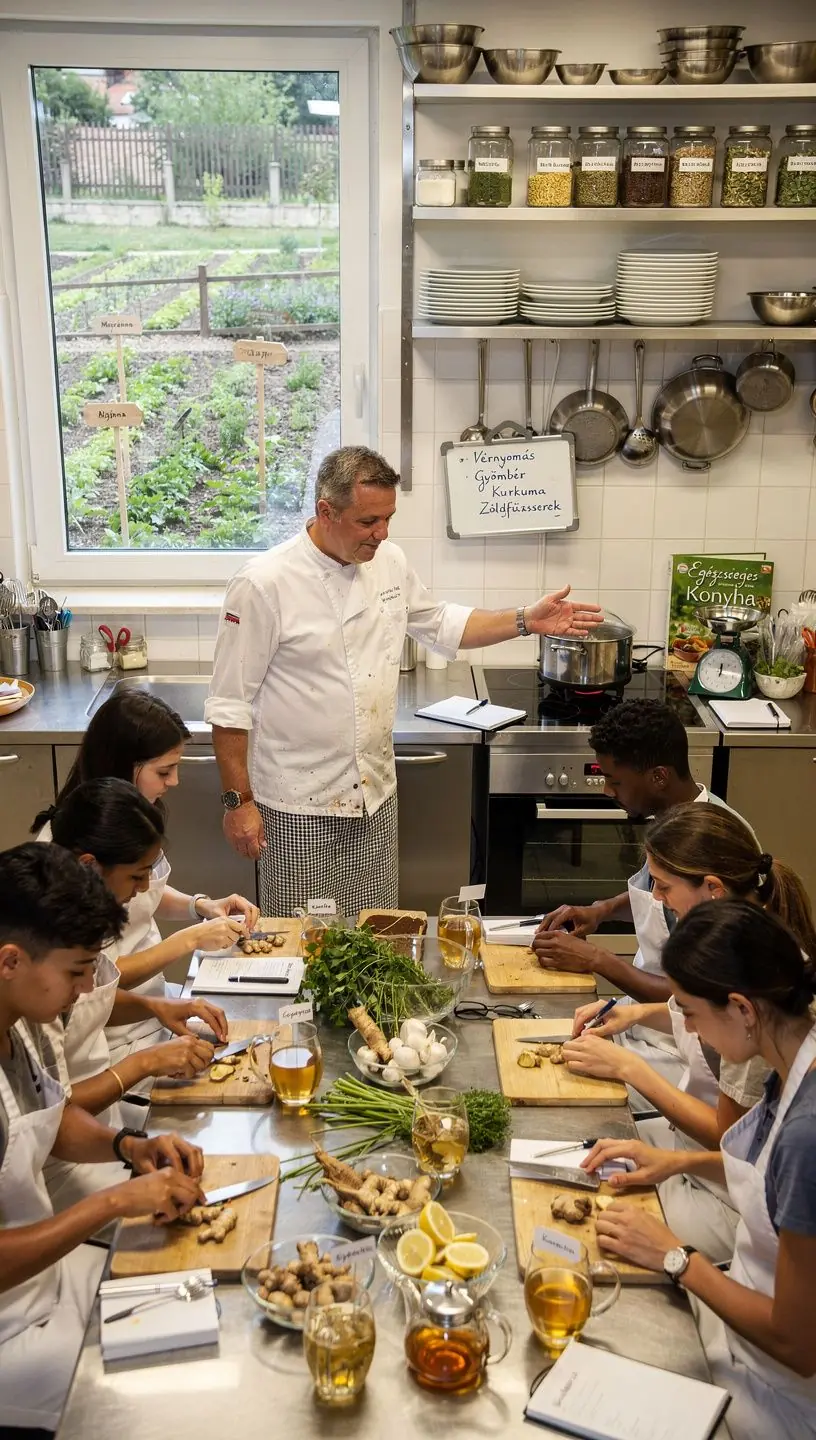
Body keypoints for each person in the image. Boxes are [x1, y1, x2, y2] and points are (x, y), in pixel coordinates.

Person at [204, 444, 602, 916]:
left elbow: (442, 623)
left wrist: (525, 620)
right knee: (304, 941)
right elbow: (230, 704)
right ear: (326, 512)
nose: (382, 533)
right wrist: (238, 802)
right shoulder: (263, 583)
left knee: (376, 933)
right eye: (368, 521)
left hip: (375, 795)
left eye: (388, 518)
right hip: (298, 806)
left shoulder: (388, 561)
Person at [586, 903, 816, 1440]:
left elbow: (797, 1344)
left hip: (777, 1397)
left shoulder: (807, 1134)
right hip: (740, 1328)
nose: (685, 1027)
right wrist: (679, 1162)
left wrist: (676, 1256)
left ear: (742, 1008)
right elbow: (771, 1183)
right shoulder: (791, 1056)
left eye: (689, 1012)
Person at [0, 843, 203, 1436]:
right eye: (76, 971)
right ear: (10, 960)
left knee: (192, 1297)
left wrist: (128, 1148)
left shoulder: (24, 1022)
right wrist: (113, 1201)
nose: (88, 987)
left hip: (48, 1282)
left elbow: (50, 1116)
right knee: (170, 1389)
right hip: (11, 1332)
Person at [563, 802, 816, 1262]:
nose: (656, 898)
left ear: (713, 888)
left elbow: (730, 1137)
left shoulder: (761, 998)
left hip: (728, 1204)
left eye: (663, 886)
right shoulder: (744, 967)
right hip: (711, 1167)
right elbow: (749, 1160)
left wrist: (630, 1068)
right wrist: (637, 1016)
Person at [32, 689, 258, 1066]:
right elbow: (98, 979)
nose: (175, 781)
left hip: (154, 1008)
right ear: (123, 764)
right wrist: (190, 939)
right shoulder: (64, 857)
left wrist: (200, 905)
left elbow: (143, 891)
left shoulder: (130, 818)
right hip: (109, 1038)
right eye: (164, 771)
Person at [532, 698, 747, 1084]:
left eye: (615, 780)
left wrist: (597, 960)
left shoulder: (712, 849)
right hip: (640, 1022)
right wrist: (601, 910)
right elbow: (656, 897)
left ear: (658, 777)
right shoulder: (674, 822)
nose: (606, 790)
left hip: (684, 1054)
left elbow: (701, 999)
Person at [42, 778, 226, 1208]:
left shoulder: (76, 926)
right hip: (60, 1184)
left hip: (98, 1140)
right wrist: (144, 1063)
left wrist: (156, 1007)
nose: (144, 890)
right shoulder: (45, 946)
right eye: (137, 876)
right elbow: (51, 1114)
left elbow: (54, 1114)